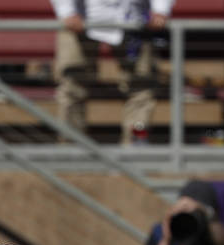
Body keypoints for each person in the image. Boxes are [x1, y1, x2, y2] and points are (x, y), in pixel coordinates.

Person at [49, 0, 172, 144]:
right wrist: (67, 12)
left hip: (134, 20)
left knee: (142, 90)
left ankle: (137, 143)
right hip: (81, 18)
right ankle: (69, 147)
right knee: (71, 87)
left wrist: (161, 10)